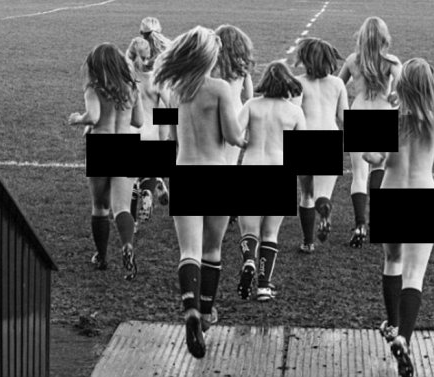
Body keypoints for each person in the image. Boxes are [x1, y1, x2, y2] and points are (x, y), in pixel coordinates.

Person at [154, 26, 246, 359]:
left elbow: (171, 136)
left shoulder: (175, 90)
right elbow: (232, 136)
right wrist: (247, 137)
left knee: (189, 251)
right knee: (212, 249)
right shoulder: (220, 88)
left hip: (186, 172)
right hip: (217, 173)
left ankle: (190, 308)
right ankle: (206, 312)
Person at [363, 58, 434, 377]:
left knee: (392, 261)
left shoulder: (391, 119)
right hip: (422, 195)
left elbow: (372, 156)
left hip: (391, 193)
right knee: (415, 274)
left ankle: (392, 323)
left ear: (402, 87)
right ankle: (404, 338)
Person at [68, 43, 144, 281]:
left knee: (100, 206)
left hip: (101, 145)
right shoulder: (132, 88)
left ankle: (101, 257)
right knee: (122, 207)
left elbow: (94, 116)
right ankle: (127, 244)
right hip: (126, 146)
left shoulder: (94, 88)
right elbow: (139, 121)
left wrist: (77, 119)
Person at [236, 61, 306, 301]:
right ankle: (264, 287)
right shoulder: (294, 112)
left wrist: (244, 143)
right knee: (270, 232)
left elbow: (234, 132)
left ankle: (249, 260)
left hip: (252, 167)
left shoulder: (252, 105)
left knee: (249, 230)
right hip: (279, 169)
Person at [339, 17, 401, 248]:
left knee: (358, 174)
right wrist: (395, 95)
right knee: (379, 168)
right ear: (384, 38)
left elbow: (337, 85)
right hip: (383, 115)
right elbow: (403, 87)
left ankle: (360, 224)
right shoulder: (391, 62)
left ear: (362, 37)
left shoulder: (352, 60)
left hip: (359, 114)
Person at [293, 37, 349, 252]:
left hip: (305, 138)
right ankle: (324, 207)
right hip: (329, 137)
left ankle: (308, 242)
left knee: (306, 194)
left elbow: (294, 113)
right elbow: (344, 117)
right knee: (323, 194)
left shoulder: (298, 82)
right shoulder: (337, 84)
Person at [125, 37, 170, 231]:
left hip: (130, 131)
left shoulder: (125, 77)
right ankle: (150, 189)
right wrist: (166, 135)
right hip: (151, 133)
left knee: (131, 181)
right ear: (148, 56)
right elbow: (170, 105)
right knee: (149, 172)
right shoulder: (157, 79)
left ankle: (133, 222)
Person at [214, 24, 255, 165]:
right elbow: (249, 95)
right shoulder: (242, 65)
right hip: (237, 114)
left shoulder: (213, 65)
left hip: (214, 114)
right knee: (231, 160)